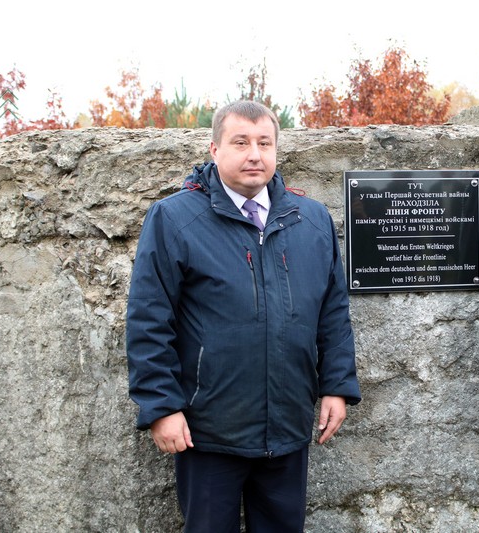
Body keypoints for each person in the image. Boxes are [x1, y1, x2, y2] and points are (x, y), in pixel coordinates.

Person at [126, 100, 361, 532]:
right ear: (214, 149)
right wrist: (161, 407)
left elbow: (333, 312)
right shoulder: (176, 219)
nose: (255, 154)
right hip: (208, 430)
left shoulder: (310, 220)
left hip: (287, 424)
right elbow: (148, 320)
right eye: (241, 142)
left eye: (264, 143)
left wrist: (337, 386)